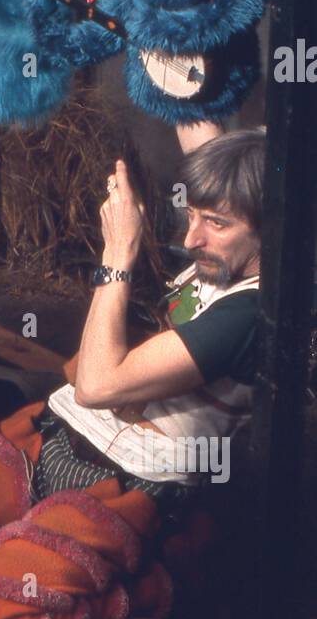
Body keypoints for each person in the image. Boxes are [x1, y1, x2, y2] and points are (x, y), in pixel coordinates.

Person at [26, 128, 263, 510]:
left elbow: (95, 386)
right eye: (191, 216)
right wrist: (162, 74)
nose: (190, 240)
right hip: (75, 433)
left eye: (216, 223)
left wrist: (118, 252)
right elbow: (190, 104)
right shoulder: (229, 250)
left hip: (133, 480)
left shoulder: (248, 313)